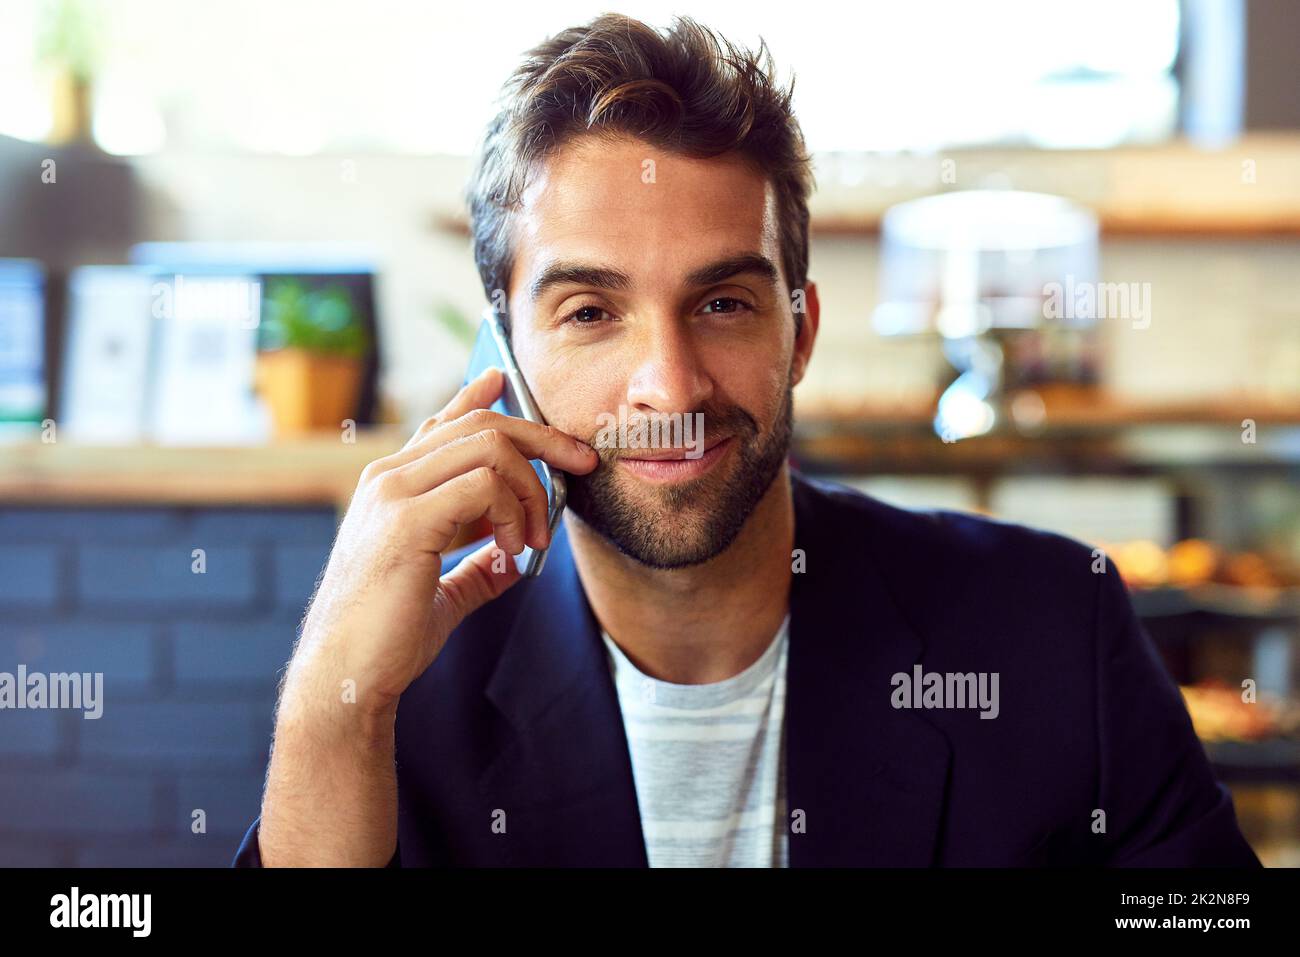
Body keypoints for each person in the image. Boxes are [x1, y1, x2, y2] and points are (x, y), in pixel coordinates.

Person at [234, 13, 1259, 867]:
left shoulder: (1046, 627)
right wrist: (334, 705)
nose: (669, 384)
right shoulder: (398, 686)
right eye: (590, 311)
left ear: (798, 332)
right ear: (500, 351)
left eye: (721, 302)